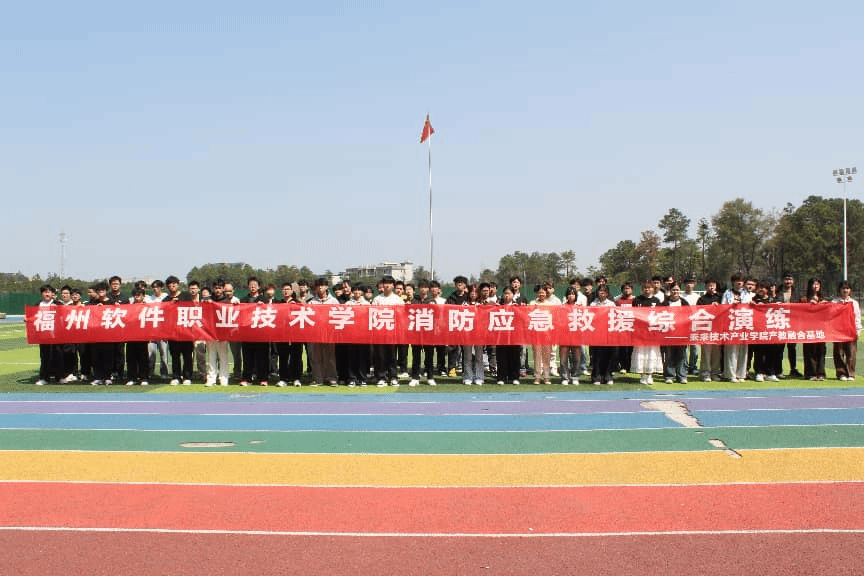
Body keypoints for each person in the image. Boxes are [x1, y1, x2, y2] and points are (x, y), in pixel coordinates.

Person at [372, 275, 405, 387]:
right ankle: (381, 377)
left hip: (392, 332)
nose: (387, 285)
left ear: (393, 285)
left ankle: (393, 377)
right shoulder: (377, 299)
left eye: (389, 283)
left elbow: (402, 316)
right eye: (385, 283)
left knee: (392, 356)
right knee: (380, 356)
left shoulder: (398, 300)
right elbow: (372, 314)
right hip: (380, 332)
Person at [722, 272, 753, 382]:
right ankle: (731, 375)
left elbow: (752, 306)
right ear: (733, 282)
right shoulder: (727, 293)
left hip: (744, 324)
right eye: (736, 280)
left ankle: (741, 374)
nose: (739, 283)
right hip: (731, 325)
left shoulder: (747, 293)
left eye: (741, 280)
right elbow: (722, 308)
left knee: (743, 350)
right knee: (731, 351)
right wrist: (731, 305)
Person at [308, 277, 339, 386]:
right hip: (316, 333)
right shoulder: (312, 302)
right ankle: (317, 378)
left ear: (326, 286)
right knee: (316, 356)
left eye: (322, 285)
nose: (320, 288)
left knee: (330, 356)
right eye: (318, 286)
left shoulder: (333, 301)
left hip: (329, 332)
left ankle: (331, 378)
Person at [632, 280, 663, 385]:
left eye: (649, 287)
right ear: (642, 289)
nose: (647, 289)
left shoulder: (657, 301)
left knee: (652, 353)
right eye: (645, 287)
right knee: (641, 353)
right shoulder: (637, 300)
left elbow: (660, 315)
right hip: (640, 332)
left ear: (653, 289)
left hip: (652, 331)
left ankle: (650, 375)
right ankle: (642, 375)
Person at [206, 279, 236, 387]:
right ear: (213, 289)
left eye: (220, 288)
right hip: (210, 333)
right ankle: (211, 378)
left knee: (223, 357)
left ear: (223, 288)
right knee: (211, 357)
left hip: (222, 333)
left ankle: (224, 378)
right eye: (216, 288)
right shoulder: (208, 300)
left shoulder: (227, 301)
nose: (218, 290)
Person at [34, 284, 65, 386]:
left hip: (56, 335)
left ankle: (60, 377)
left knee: (58, 356)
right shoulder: (38, 304)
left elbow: (66, 315)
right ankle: (44, 378)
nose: (47, 294)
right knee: (45, 356)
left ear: (52, 294)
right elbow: (33, 316)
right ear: (42, 294)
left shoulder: (58, 303)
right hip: (44, 334)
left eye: (49, 292)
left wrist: (59, 309)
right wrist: (27, 318)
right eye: (44, 292)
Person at [751, 281, 780, 382]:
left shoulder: (772, 299)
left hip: (771, 330)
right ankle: (759, 372)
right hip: (758, 330)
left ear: (767, 289)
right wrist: (753, 305)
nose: (761, 290)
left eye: (763, 287)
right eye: (759, 287)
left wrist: (778, 305)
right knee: (759, 352)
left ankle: (770, 373)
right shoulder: (754, 299)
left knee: (772, 352)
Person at [661, 283, 689, 384]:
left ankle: (682, 376)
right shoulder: (664, 303)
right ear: (670, 290)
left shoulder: (684, 303)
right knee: (669, 355)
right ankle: (669, 376)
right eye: (673, 290)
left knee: (682, 355)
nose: (675, 292)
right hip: (668, 333)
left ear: (680, 290)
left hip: (682, 333)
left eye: (677, 290)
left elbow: (689, 316)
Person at [833, 280, 861, 381]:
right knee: (839, 353)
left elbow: (857, 317)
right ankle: (841, 373)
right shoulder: (834, 302)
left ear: (850, 290)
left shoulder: (854, 303)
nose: (845, 290)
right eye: (843, 288)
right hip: (838, 331)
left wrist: (858, 330)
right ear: (839, 290)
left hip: (850, 331)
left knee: (851, 353)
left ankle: (851, 374)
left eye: (847, 288)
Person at [589, 285, 617, 385]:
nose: (602, 293)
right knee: (597, 355)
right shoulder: (593, 304)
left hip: (608, 333)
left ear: (607, 293)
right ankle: (596, 376)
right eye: (600, 291)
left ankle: (607, 375)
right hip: (596, 333)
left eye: (604, 291)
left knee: (608, 355)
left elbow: (615, 317)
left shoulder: (611, 304)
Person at [696, 279, 723, 382]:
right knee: (706, 353)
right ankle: (705, 373)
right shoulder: (701, 299)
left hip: (718, 329)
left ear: (716, 286)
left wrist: (719, 306)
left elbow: (726, 309)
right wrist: (709, 308)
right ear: (705, 287)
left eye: (713, 285)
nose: (711, 287)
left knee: (716, 353)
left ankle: (715, 373)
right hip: (706, 329)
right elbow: (698, 312)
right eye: (709, 285)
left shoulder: (720, 298)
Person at [800, 278, 826, 381]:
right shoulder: (804, 299)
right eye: (814, 284)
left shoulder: (823, 298)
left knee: (821, 351)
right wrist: (809, 305)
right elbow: (799, 311)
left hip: (821, 329)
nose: (816, 286)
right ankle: (810, 373)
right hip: (808, 329)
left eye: (818, 284)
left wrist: (824, 305)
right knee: (809, 351)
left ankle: (820, 373)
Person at [460, 284, 486, 385]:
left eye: (475, 292)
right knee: (467, 356)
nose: (473, 294)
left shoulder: (482, 303)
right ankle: (468, 376)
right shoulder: (464, 303)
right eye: (472, 292)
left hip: (479, 333)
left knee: (479, 356)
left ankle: (479, 376)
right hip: (467, 333)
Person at [779, 272, 803, 378]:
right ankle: (778, 370)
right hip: (780, 322)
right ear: (782, 280)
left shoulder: (797, 292)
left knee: (792, 347)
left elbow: (803, 305)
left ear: (793, 281)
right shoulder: (777, 291)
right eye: (786, 279)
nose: (788, 281)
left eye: (790, 279)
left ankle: (793, 369)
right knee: (779, 347)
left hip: (793, 323)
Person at [495, 286, 521, 385]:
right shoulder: (498, 307)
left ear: (513, 295)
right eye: (505, 293)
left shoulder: (517, 306)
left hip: (514, 336)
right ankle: (501, 377)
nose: (506, 296)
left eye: (509, 293)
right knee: (501, 357)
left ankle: (514, 377)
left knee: (514, 357)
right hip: (501, 335)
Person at [445, 276, 470, 377]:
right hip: (454, 327)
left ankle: (466, 369)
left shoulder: (468, 297)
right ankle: (451, 368)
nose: (459, 284)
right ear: (455, 285)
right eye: (457, 283)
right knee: (452, 349)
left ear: (465, 285)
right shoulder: (451, 297)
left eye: (462, 282)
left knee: (466, 349)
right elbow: (446, 311)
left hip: (466, 326)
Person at [125, 288, 150, 386]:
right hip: (131, 336)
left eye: (139, 294)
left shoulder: (147, 307)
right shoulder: (128, 307)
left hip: (143, 336)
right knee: (131, 358)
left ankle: (144, 378)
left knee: (143, 358)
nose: (137, 296)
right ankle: (132, 378)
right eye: (135, 294)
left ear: (143, 296)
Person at [529, 284, 553, 385]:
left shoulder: (550, 304)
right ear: (536, 293)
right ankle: (537, 376)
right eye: (539, 292)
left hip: (547, 333)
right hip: (536, 333)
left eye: (543, 292)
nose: (541, 294)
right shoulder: (532, 303)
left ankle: (547, 377)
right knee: (537, 356)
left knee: (547, 356)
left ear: (546, 293)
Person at [559, 287, 582, 385]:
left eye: (573, 294)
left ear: (576, 296)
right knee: (563, 358)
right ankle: (565, 377)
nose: (571, 296)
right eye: (569, 294)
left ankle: (575, 376)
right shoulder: (562, 307)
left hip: (576, 335)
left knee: (576, 358)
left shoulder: (580, 307)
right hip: (564, 335)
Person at [148, 279, 170, 381]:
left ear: (161, 288)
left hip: (163, 330)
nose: (155, 289)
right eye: (154, 287)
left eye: (157, 287)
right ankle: (150, 373)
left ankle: (164, 373)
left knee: (163, 353)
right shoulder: (149, 299)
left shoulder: (166, 297)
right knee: (151, 354)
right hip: (152, 330)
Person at [682, 278, 700, 375]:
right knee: (684, 348)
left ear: (694, 284)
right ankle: (685, 367)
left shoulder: (697, 297)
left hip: (695, 325)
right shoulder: (681, 296)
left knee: (694, 348)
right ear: (684, 285)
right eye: (687, 283)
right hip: (684, 325)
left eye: (691, 283)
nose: (689, 285)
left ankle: (693, 367)